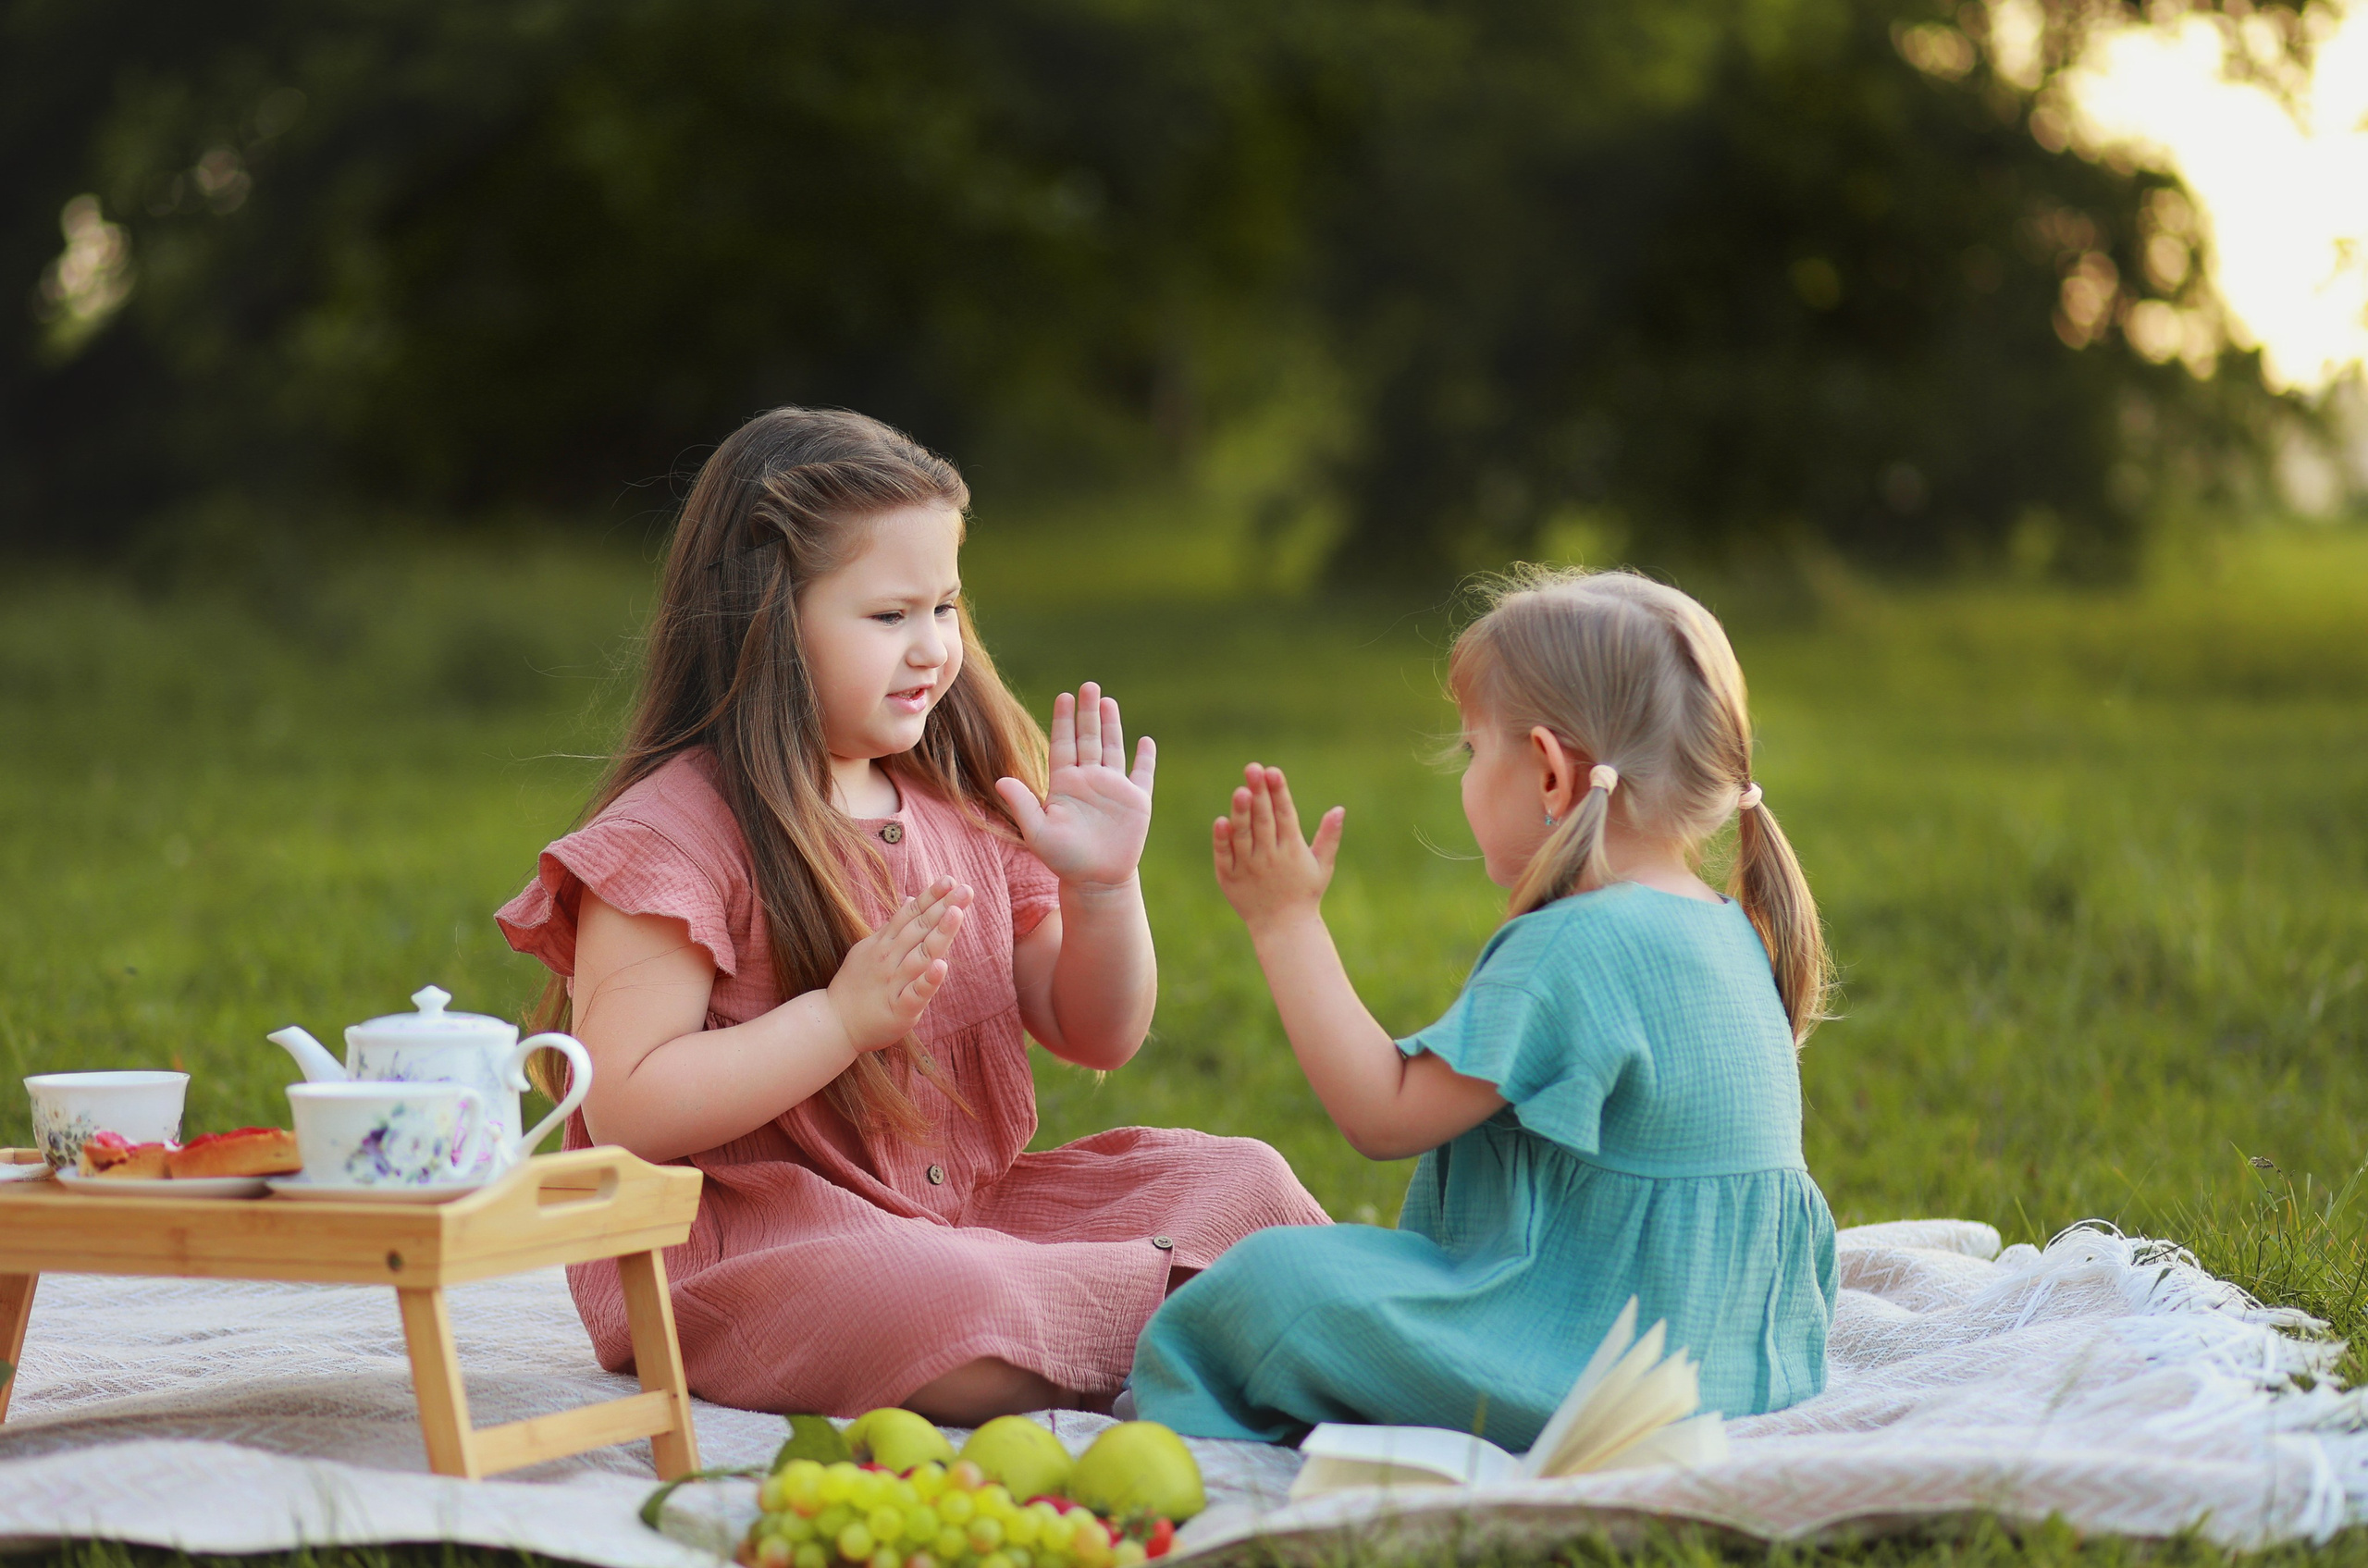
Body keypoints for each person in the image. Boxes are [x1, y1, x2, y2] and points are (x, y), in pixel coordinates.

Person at [496, 406, 1326, 1423]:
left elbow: (1095, 1029)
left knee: (1244, 1179)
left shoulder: (960, 808)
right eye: (890, 616)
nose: (933, 647)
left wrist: (1104, 890)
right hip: (762, 1255)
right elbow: (625, 1105)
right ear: (765, 618)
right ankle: (1196, 1334)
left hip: (968, 1217)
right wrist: (837, 1023)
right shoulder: (674, 838)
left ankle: (1131, 1328)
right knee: (951, 1301)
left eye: (945, 606)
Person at [1131, 568, 1838, 1447]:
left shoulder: (1576, 943)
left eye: (1472, 749)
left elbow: (1382, 1113)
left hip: (1586, 1372)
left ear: (1548, 770)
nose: (1465, 774)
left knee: (1264, 1284)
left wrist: (1285, 922)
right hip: (1745, 1361)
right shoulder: (1735, 928)